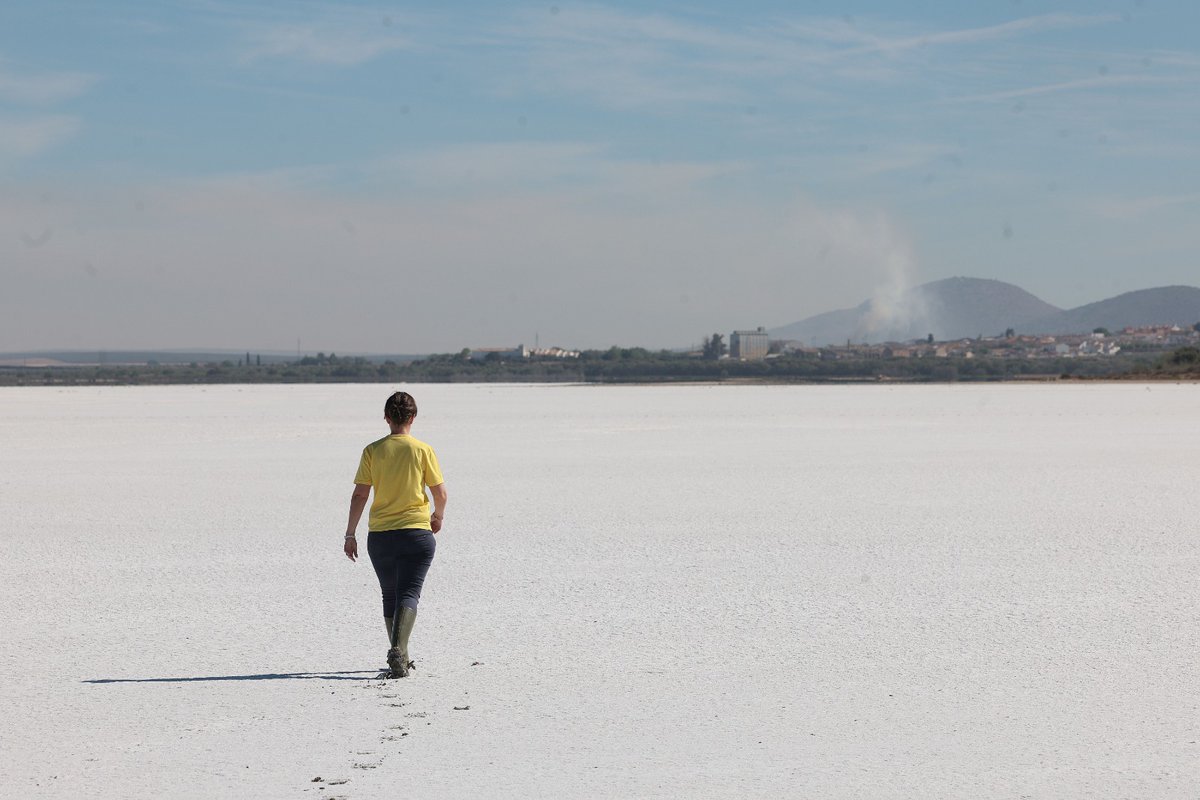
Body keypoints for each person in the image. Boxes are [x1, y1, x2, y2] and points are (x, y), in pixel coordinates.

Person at [344, 391, 447, 677]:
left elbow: (360, 495)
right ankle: (400, 653)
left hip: (381, 536)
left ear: (387, 417)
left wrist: (350, 534)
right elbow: (440, 493)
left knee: (390, 594)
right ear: (413, 418)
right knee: (409, 593)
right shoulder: (422, 450)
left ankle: (400, 655)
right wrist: (437, 516)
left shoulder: (373, 451)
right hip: (416, 534)